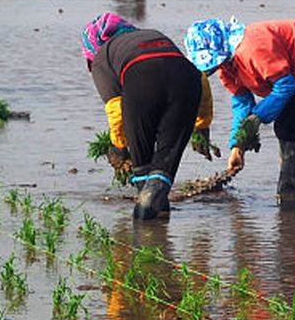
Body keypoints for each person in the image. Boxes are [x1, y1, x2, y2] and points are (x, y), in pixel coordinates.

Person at [181, 17, 295, 201]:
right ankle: (289, 201)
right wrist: (237, 146)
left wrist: (256, 119)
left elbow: (285, 86)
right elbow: (242, 103)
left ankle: (290, 196)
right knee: (286, 126)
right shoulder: (227, 68)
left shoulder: (253, 48)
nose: (213, 68)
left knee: (294, 129)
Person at [83, 13, 217, 220]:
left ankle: (143, 230)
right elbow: (200, 78)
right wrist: (201, 126)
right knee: (164, 164)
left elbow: (116, 109)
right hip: (188, 83)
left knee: (143, 169)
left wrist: (119, 147)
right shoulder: (153, 35)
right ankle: (159, 221)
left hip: (142, 80)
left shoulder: (102, 57)